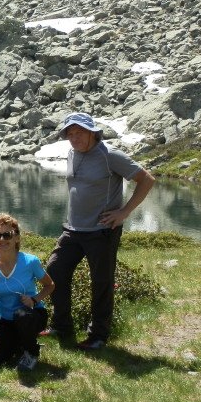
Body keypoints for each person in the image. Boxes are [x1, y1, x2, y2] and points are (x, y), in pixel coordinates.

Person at [44, 113, 155, 350]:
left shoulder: (109, 155)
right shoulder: (72, 153)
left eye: (79, 132)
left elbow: (146, 179)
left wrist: (124, 212)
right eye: (70, 134)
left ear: (92, 132)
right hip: (73, 229)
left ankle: (98, 336)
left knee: (101, 282)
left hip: (102, 230)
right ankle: (61, 325)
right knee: (55, 270)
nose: (74, 138)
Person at [0, 213, 55, 371]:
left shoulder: (31, 261)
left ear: (17, 238)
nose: (1, 239)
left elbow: (50, 285)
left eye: (7, 235)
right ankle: (18, 344)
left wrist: (34, 300)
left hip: (32, 315)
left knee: (21, 315)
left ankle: (31, 351)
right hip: (5, 319)